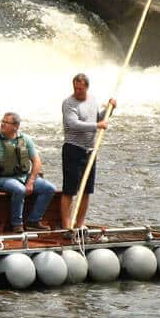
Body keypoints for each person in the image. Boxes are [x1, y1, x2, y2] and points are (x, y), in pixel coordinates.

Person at [0, 112, 57, 233]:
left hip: (24, 176)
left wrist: (31, 181)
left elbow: (37, 162)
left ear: (16, 126)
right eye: (2, 121)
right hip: (3, 178)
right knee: (19, 190)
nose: (3, 124)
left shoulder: (25, 139)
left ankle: (33, 221)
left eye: (6, 122)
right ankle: (17, 224)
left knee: (49, 188)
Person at [61, 73, 116, 231]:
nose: (77, 91)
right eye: (75, 88)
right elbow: (73, 124)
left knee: (86, 190)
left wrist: (110, 109)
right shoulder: (68, 103)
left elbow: (98, 118)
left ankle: (79, 224)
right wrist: (97, 126)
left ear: (87, 87)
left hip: (90, 151)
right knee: (69, 190)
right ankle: (66, 227)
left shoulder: (92, 100)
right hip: (73, 149)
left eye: (80, 88)